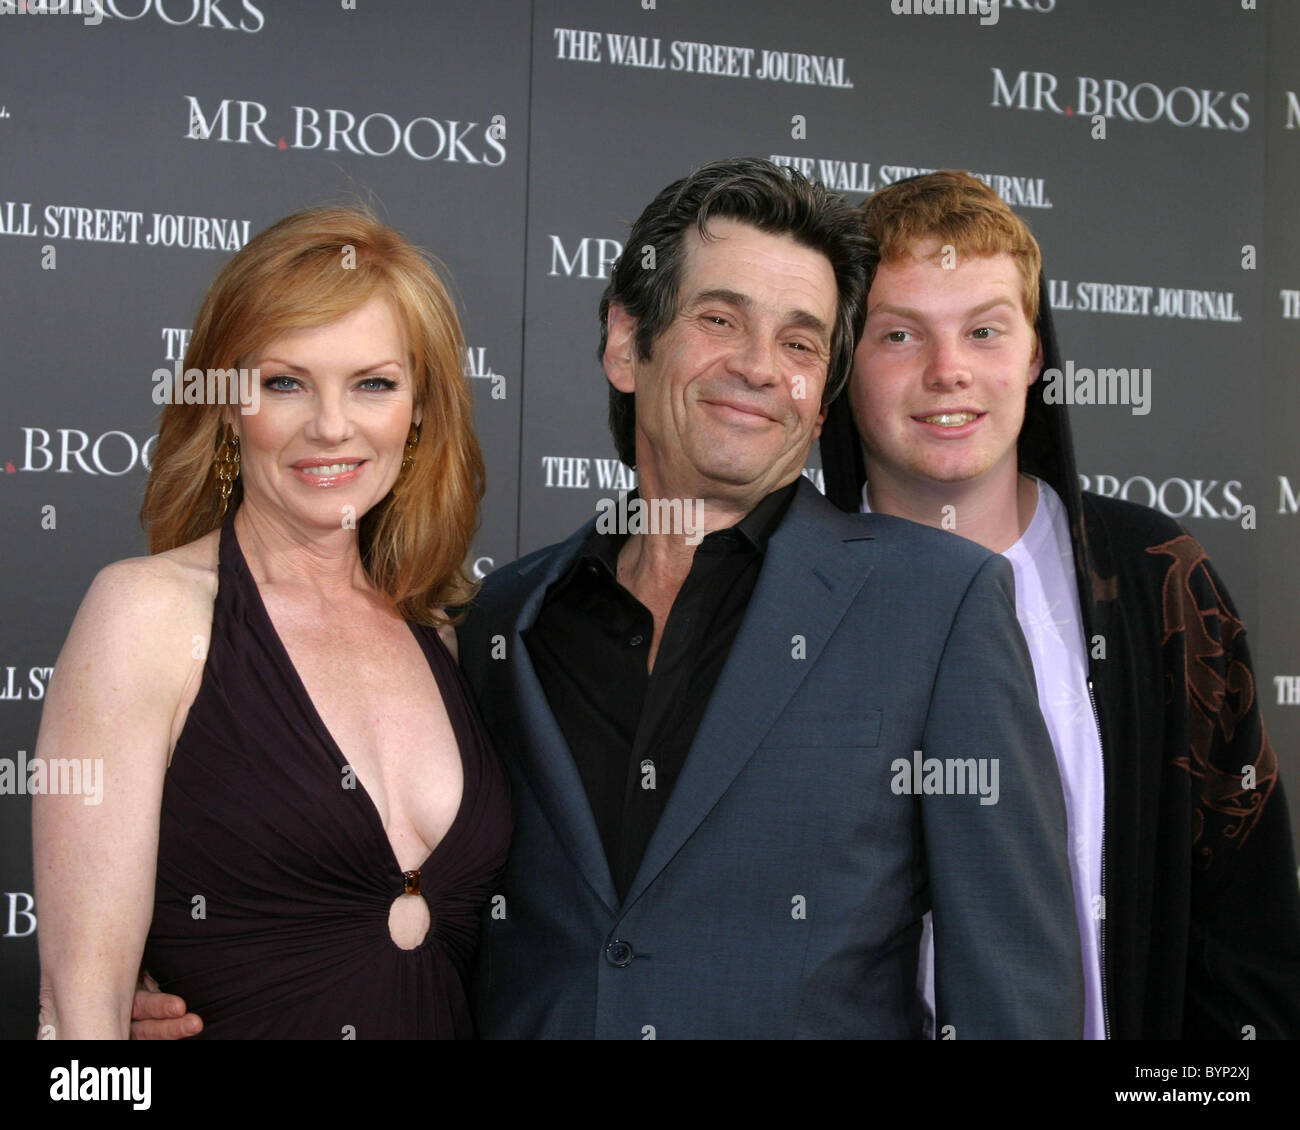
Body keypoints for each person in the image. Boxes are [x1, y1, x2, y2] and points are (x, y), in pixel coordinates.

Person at [456, 158, 1081, 1038]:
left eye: (800, 343)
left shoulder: (939, 606)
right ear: (626, 343)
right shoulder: (511, 617)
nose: (758, 367)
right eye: (720, 320)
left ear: (822, 398)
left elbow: (1013, 993)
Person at [819, 170, 1300, 1039]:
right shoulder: (774, 598)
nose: (948, 371)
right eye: (899, 334)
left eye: (985, 330)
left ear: (1036, 355)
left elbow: (1245, 925)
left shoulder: (1159, 584)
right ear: (845, 358)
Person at [33, 207, 510, 1039]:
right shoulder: (146, 616)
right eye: (284, 382)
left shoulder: (440, 635)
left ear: (421, 409)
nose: (332, 424)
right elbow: (80, 1018)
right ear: (225, 405)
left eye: (374, 383)